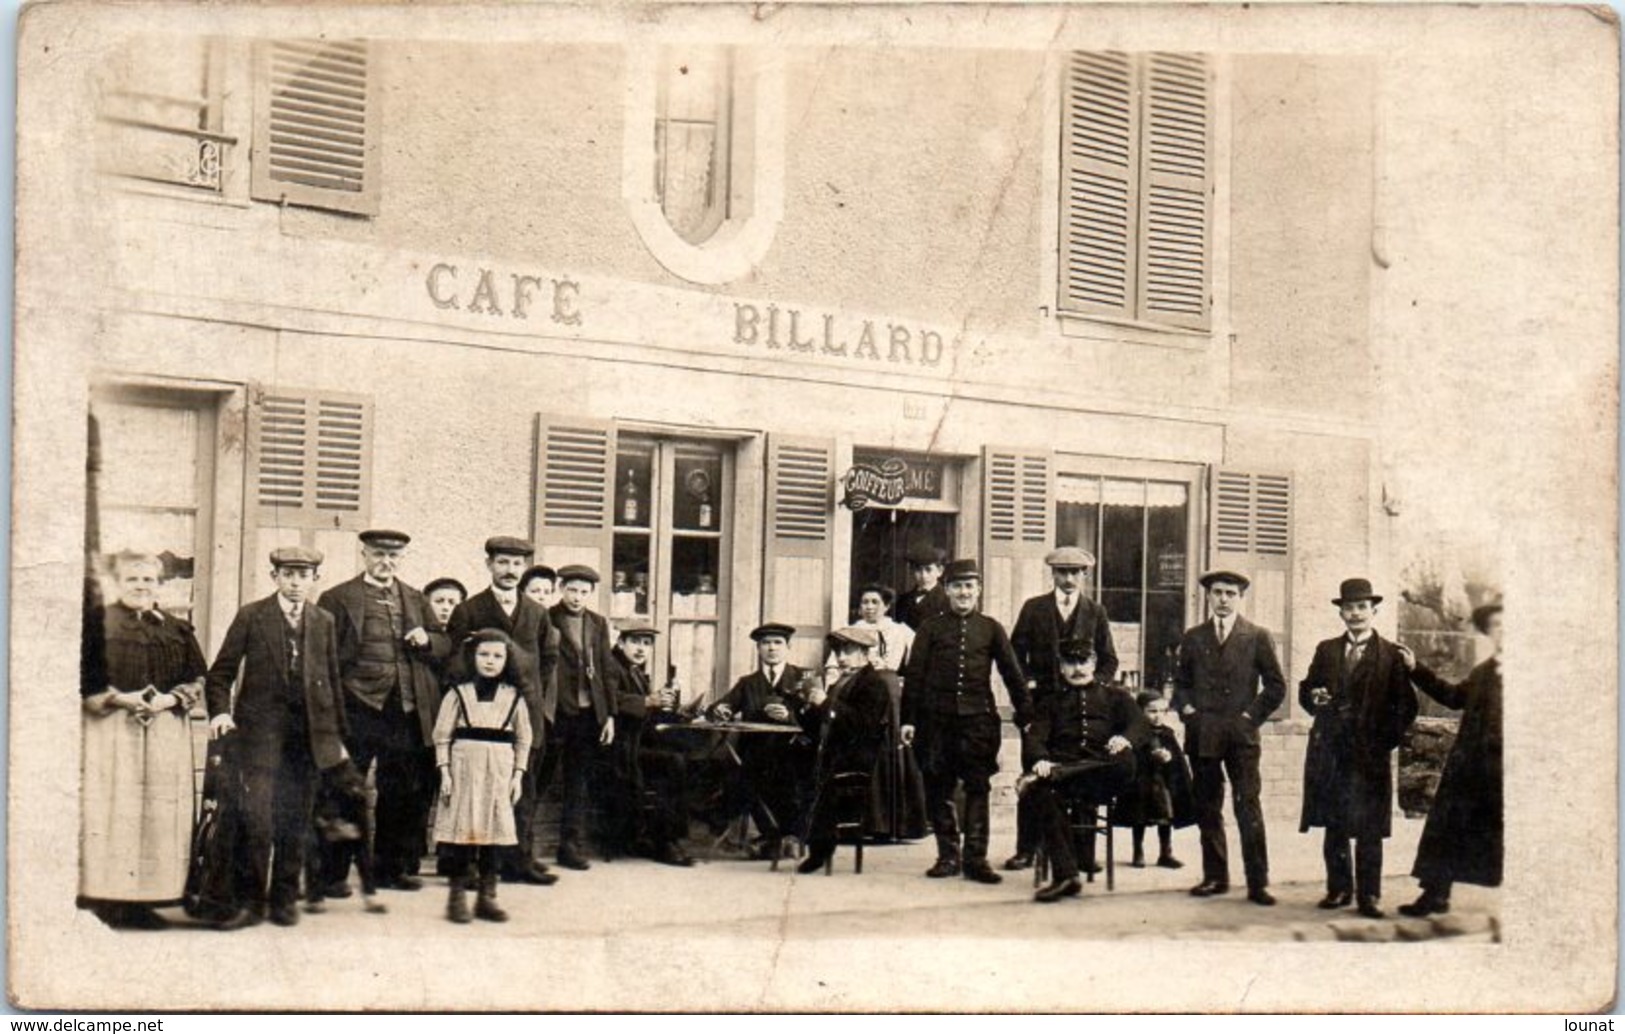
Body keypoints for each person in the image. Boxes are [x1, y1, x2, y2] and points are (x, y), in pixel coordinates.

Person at [203, 547, 348, 929]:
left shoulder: (324, 621)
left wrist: (336, 738)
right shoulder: (252, 616)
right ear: (275, 577)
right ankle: (251, 903)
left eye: (304, 575)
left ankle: (284, 901)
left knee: (296, 821)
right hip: (258, 740)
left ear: (316, 578)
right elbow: (220, 673)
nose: (296, 582)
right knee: (257, 821)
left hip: (307, 741)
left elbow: (332, 683)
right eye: (288, 575)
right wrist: (220, 712)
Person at [78, 550, 207, 930]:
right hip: (112, 728)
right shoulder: (98, 623)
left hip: (165, 729)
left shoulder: (176, 628)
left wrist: (170, 699)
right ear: (118, 583)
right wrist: (120, 698)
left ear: (159, 585)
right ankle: (106, 897)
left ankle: (145, 898)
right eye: (132, 579)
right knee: (114, 810)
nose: (140, 586)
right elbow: (82, 677)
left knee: (157, 814)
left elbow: (197, 677)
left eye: (148, 579)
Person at [315, 529, 444, 896]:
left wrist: (428, 640)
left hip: (403, 709)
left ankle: (392, 869)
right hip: (355, 706)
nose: (386, 562)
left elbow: (444, 643)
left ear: (401, 559)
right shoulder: (338, 598)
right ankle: (333, 874)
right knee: (342, 788)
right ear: (364, 555)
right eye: (378, 555)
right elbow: (322, 655)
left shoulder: (417, 599)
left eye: (393, 556)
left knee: (401, 790)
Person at [900, 559, 1030, 884]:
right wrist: (908, 719)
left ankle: (976, 859)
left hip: (979, 723)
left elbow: (1013, 675)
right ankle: (948, 856)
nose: (963, 592)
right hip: (936, 722)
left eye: (969, 586)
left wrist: (1026, 715)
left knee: (977, 787)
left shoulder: (991, 628)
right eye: (957, 586)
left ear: (979, 590)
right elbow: (914, 676)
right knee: (938, 786)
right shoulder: (930, 628)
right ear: (946, 590)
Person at [1298, 578, 1419, 918]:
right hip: (1332, 754)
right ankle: (1339, 890)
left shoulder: (1391, 655)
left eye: (1362, 607)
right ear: (1341, 613)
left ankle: (1370, 896)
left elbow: (1407, 706)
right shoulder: (1326, 650)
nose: (1355, 614)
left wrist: (1383, 742)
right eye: (1349, 607)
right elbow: (1308, 689)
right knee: (1334, 824)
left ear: (1374, 611)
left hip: (1370, 757)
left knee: (1368, 829)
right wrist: (1314, 698)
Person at [446, 536, 561, 885]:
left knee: (521, 786)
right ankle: (468, 866)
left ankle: (518, 862)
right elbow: (456, 662)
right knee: (475, 787)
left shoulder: (538, 613)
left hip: (524, 711)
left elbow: (548, 658)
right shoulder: (469, 610)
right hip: (481, 716)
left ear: (524, 567)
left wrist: (528, 695)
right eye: (503, 563)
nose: (510, 571)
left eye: (516, 564)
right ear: (489, 565)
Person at [1173, 570, 1287, 906]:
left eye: (1230, 594)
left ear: (1240, 597)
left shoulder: (1256, 636)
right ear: (1208, 596)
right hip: (1203, 734)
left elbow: (1277, 685)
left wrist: (1251, 717)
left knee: (1247, 807)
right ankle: (1215, 877)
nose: (1223, 599)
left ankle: (1258, 882)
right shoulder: (1193, 637)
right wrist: (1189, 712)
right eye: (1217, 593)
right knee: (1208, 808)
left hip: (1241, 738)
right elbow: (1180, 684)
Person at [1005, 546, 1120, 871]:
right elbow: (1015, 657)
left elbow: (1109, 659)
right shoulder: (1034, 609)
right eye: (1062, 572)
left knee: (1082, 769)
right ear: (1052, 574)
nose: (1068, 579)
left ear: (1084, 576)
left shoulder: (1095, 612)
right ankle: (1026, 849)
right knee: (1035, 772)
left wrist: (1092, 684)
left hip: (1080, 710)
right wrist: (1027, 687)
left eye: (1075, 573)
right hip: (1042, 708)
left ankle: (1084, 853)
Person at [1395, 601, 1503, 919]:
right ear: (1489, 633)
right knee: (1446, 826)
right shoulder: (1484, 672)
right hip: (1472, 768)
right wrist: (1416, 668)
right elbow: (1454, 697)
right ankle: (1435, 895)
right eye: (1497, 626)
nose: (1504, 631)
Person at [1023, 637, 1145, 903]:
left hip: (1103, 777)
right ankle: (1066, 876)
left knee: (1125, 760)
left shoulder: (1117, 697)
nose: (1077, 668)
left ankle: (1062, 772)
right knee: (1041, 790)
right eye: (1070, 662)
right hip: (1066, 778)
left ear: (1094, 663)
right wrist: (1040, 759)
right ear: (1061, 667)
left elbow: (1140, 725)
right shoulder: (1049, 702)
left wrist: (1125, 738)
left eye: (1083, 661)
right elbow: (1035, 738)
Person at [434, 629, 533, 924]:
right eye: (484, 655)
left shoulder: (514, 696)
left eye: (497, 656)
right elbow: (442, 736)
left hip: (499, 772)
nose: (490, 661)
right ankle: (457, 897)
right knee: (460, 836)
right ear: (472, 656)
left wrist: (517, 776)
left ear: (507, 660)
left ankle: (487, 897)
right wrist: (445, 771)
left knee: (493, 836)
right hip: (464, 768)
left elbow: (524, 739)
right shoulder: (457, 693)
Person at [710, 622, 814, 857]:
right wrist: (721, 710)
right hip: (755, 753)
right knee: (749, 773)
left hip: (794, 752)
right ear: (758, 649)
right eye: (766, 643)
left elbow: (816, 717)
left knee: (759, 777)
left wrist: (790, 716)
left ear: (788, 647)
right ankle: (781, 837)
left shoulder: (802, 677)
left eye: (778, 643)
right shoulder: (748, 683)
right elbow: (720, 706)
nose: (772, 648)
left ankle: (777, 836)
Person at [797, 627, 893, 873]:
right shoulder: (841, 682)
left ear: (864, 653)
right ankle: (787, 836)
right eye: (839, 651)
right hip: (833, 753)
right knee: (786, 766)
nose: (841, 657)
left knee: (820, 779)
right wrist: (806, 707)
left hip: (855, 758)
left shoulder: (874, 684)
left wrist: (826, 703)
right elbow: (821, 723)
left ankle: (819, 850)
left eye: (848, 651)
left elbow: (862, 726)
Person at [545, 564, 620, 870]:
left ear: (591, 593)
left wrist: (609, 715)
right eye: (572, 590)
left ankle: (570, 847)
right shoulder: (547, 617)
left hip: (589, 714)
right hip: (556, 711)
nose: (577, 597)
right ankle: (518, 846)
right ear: (561, 589)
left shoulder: (597, 623)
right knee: (541, 776)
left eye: (583, 592)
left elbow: (606, 671)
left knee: (579, 782)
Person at [608, 620, 695, 867]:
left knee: (681, 757)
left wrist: (677, 710)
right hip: (616, 748)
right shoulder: (612, 666)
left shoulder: (635, 671)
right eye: (635, 642)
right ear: (621, 642)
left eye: (647, 644)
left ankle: (663, 837)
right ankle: (665, 841)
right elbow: (610, 699)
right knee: (673, 763)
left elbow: (647, 712)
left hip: (634, 744)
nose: (641, 649)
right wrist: (648, 701)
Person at [1114, 690, 1196, 869]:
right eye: (1152, 711)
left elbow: (1176, 759)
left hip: (1162, 781)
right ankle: (1138, 851)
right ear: (1140, 711)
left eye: (1162, 711)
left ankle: (1165, 853)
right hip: (1141, 781)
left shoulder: (1167, 733)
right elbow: (1130, 756)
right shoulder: (1135, 733)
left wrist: (1168, 758)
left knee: (1165, 815)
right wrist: (1149, 757)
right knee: (1139, 816)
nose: (1158, 716)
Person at [851, 584, 915, 671]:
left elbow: (916, 660)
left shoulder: (901, 631)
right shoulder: (851, 631)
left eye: (875, 602)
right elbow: (833, 664)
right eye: (865, 602)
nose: (869, 607)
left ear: (886, 606)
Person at [893, 544, 951, 632]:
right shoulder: (902, 600)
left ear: (940, 571)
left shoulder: (947, 601)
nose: (923, 576)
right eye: (918, 570)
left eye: (928, 570)